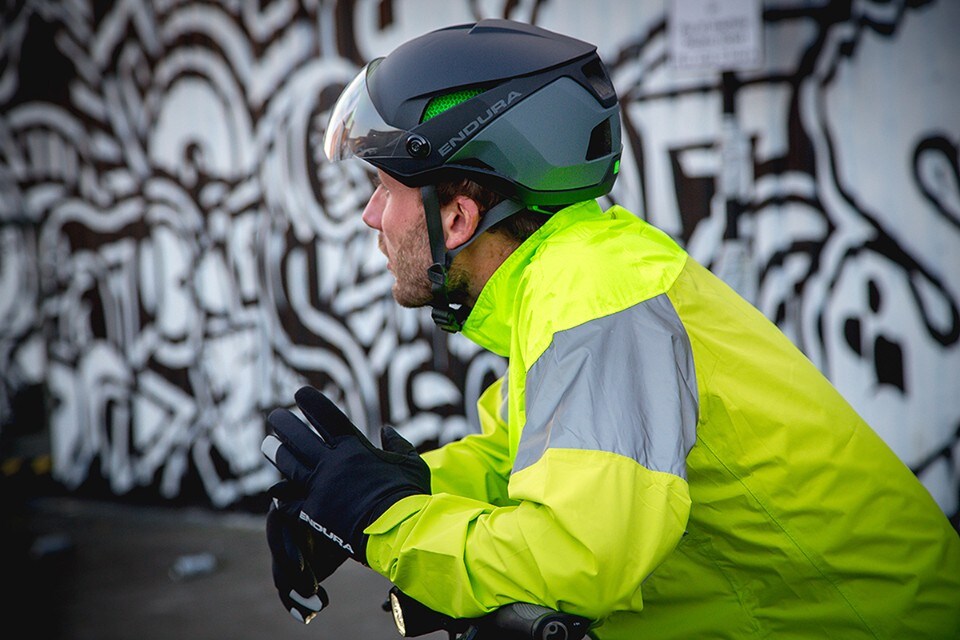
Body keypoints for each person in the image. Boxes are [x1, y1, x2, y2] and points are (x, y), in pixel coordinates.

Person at [260, 18, 960, 639]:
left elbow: (571, 561)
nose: (370, 217)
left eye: (384, 188)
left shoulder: (596, 299)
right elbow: (527, 468)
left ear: (456, 215)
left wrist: (384, 519)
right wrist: (388, 484)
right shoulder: (570, 279)